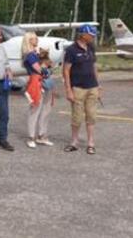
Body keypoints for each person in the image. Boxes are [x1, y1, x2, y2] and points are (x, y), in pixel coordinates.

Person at [63, 25, 101, 155]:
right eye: (91, 35)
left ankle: (91, 143)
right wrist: (68, 89)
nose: (93, 37)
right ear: (83, 34)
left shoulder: (91, 48)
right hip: (77, 88)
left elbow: (94, 66)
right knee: (77, 117)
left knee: (91, 116)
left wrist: (98, 85)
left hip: (92, 87)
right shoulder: (71, 50)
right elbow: (66, 70)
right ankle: (74, 142)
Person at [21, 33, 54, 149]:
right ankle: (31, 137)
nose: (37, 39)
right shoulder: (30, 55)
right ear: (29, 40)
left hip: (44, 82)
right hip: (36, 82)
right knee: (35, 110)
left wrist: (47, 69)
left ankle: (42, 135)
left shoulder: (36, 54)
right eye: (34, 38)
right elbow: (39, 70)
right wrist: (48, 70)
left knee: (46, 110)